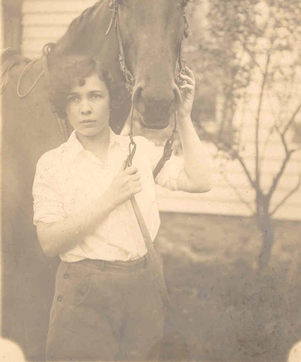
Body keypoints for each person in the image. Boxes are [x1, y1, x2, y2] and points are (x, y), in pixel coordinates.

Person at [33, 56, 212, 361]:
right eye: (74, 99)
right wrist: (110, 198)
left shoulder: (139, 151)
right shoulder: (53, 164)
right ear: (63, 107)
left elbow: (200, 180)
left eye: (95, 96)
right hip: (83, 296)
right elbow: (49, 242)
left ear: (113, 100)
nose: (85, 108)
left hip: (141, 290)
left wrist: (183, 116)